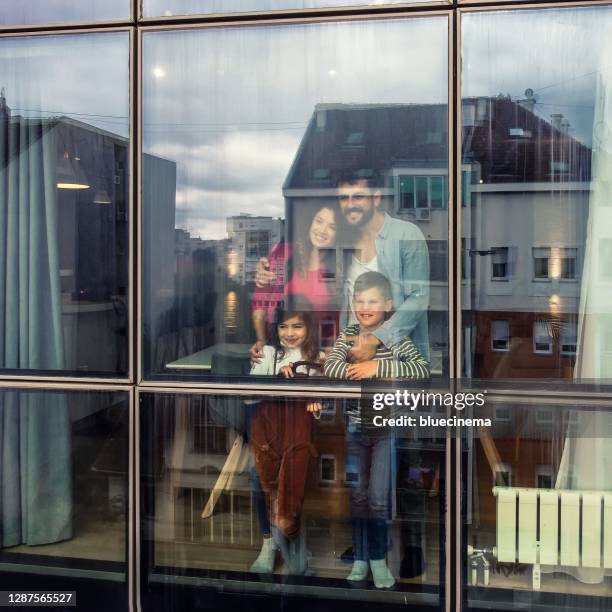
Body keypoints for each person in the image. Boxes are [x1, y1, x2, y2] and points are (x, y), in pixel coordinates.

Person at [324, 271, 429, 588]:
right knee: (358, 497)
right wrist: (359, 369)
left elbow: (420, 369)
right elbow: (331, 367)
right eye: (360, 301)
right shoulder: (348, 334)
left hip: (386, 430)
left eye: (373, 301)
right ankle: (360, 559)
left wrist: (377, 366)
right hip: (355, 429)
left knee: (379, 499)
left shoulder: (394, 337)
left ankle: (379, 558)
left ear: (388, 304)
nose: (365, 307)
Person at [249, 310, 323, 574]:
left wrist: (314, 401)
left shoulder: (317, 358)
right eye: (283, 326)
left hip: (298, 437)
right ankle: (269, 543)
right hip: (268, 433)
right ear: (274, 329)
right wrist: (274, 377)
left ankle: (292, 540)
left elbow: (319, 408)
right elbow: (249, 398)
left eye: (298, 326)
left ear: (309, 328)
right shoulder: (267, 353)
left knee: (293, 484)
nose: (290, 333)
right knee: (256, 477)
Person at [336, 172, 430, 364]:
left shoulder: (407, 234)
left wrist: (376, 339)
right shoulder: (344, 240)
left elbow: (419, 299)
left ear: (376, 198)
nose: (350, 204)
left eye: (358, 196)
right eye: (344, 198)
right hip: (353, 358)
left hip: (396, 363)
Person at [251, 203, 339, 360]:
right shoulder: (284, 253)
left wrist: (332, 354)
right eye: (319, 221)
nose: (322, 230)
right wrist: (262, 344)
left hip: (319, 355)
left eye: (332, 226)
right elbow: (260, 303)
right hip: (280, 349)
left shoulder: (339, 266)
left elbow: (338, 319)